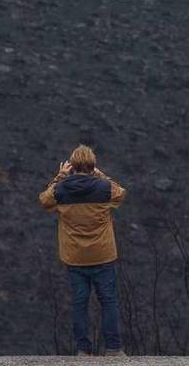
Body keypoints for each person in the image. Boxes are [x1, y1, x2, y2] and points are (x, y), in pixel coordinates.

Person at [38, 144, 127, 357]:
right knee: (108, 301)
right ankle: (113, 349)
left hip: (75, 258)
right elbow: (121, 193)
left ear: (72, 166)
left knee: (80, 303)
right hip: (103, 255)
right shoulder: (104, 188)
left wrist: (59, 177)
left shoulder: (61, 190)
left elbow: (44, 200)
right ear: (92, 165)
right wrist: (100, 174)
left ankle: (83, 350)